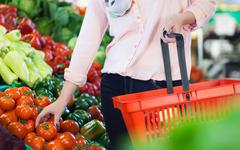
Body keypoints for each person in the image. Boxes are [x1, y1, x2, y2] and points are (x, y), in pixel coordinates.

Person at [36, 0, 216, 149]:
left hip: (161, 86)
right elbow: (90, 33)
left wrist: (182, 18)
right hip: (114, 86)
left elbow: (206, 3)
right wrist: (62, 99)